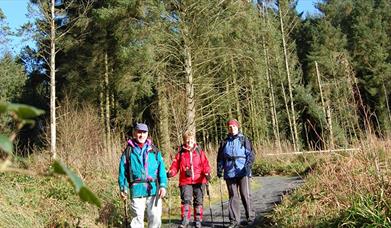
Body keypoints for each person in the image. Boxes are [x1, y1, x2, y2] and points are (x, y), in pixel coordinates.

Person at [118, 123, 168, 228]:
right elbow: (122, 172)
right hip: (136, 189)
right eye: (139, 132)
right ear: (134, 133)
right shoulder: (128, 152)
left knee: (155, 217)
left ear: (147, 134)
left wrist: (163, 186)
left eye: (144, 132)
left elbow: (161, 170)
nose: (141, 135)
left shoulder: (154, 151)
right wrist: (123, 188)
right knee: (137, 218)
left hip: (154, 188)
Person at [167, 131, 211, 228]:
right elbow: (175, 165)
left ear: (194, 140)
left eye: (191, 139)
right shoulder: (180, 153)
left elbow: (205, 163)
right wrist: (171, 173)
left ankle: (198, 220)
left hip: (199, 180)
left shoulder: (199, 150)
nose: (189, 141)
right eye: (187, 140)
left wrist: (207, 172)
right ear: (184, 141)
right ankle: (185, 220)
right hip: (185, 181)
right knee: (186, 200)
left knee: (198, 201)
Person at [217, 119, 255, 228]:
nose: (232, 129)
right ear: (228, 129)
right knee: (233, 196)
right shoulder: (224, 142)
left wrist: (248, 166)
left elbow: (251, 154)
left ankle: (250, 217)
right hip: (229, 172)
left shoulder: (244, 139)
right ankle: (234, 221)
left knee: (245, 194)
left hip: (243, 171)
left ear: (237, 127)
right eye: (230, 127)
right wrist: (219, 169)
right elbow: (220, 158)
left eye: (233, 127)